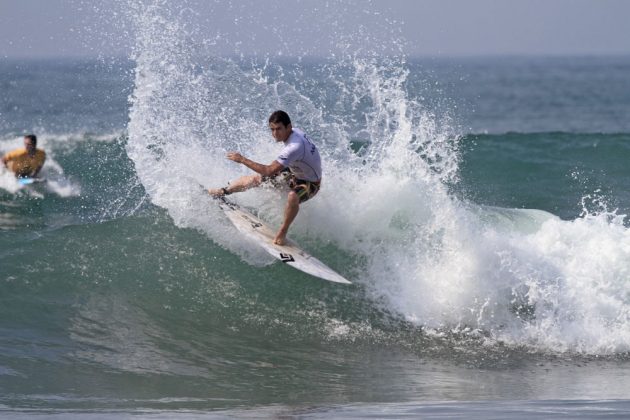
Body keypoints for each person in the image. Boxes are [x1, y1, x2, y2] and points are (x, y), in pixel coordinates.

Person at [208, 110, 322, 245]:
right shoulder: (293, 134)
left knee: (292, 196)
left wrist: (242, 159)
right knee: (257, 179)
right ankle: (223, 191)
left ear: (289, 127)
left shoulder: (294, 147)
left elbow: (269, 170)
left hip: (310, 183)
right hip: (294, 172)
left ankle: (282, 233)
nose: (275, 134)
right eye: (272, 129)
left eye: (279, 129)